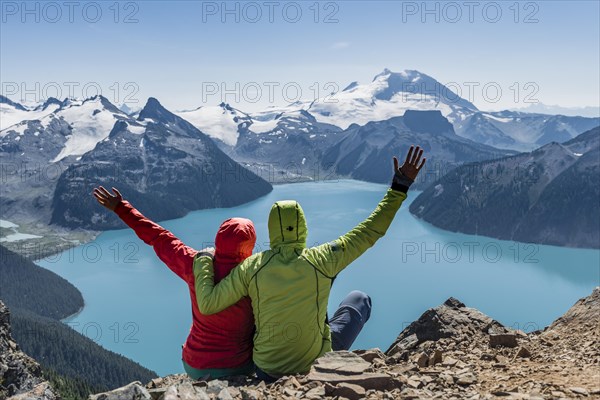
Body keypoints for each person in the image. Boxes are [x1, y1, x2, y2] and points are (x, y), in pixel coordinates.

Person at [193, 145, 426, 381]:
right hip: (315, 364)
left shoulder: (251, 267)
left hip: (266, 369)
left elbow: (209, 303)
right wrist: (399, 187)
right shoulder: (322, 258)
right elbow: (371, 230)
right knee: (359, 299)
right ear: (303, 227)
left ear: (272, 229)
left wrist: (203, 260)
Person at [92, 186, 256, 380]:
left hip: (195, 365)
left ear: (218, 238)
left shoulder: (196, 263)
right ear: (249, 246)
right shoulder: (255, 275)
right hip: (237, 367)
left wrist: (122, 208)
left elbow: (159, 237)